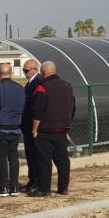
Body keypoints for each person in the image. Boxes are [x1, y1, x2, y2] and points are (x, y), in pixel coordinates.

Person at [29, 61, 76, 197]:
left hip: (46, 130)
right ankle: (63, 187)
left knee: (44, 160)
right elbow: (73, 107)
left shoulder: (42, 87)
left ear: (43, 73)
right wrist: (67, 122)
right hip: (62, 129)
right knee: (62, 160)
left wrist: (34, 129)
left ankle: (44, 189)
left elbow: (38, 110)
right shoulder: (68, 86)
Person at [0, 63, 26, 197]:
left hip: (1, 128)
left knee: (1, 159)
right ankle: (14, 187)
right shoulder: (20, 88)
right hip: (16, 127)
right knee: (13, 157)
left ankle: (2, 187)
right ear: (11, 74)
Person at [20, 59, 43, 192]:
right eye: (24, 70)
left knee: (35, 155)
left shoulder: (38, 82)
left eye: (26, 70)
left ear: (34, 69)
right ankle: (32, 179)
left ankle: (37, 181)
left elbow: (36, 106)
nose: (24, 73)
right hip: (27, 125)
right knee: (30, 154)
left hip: (33, 125)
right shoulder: (30, 83)